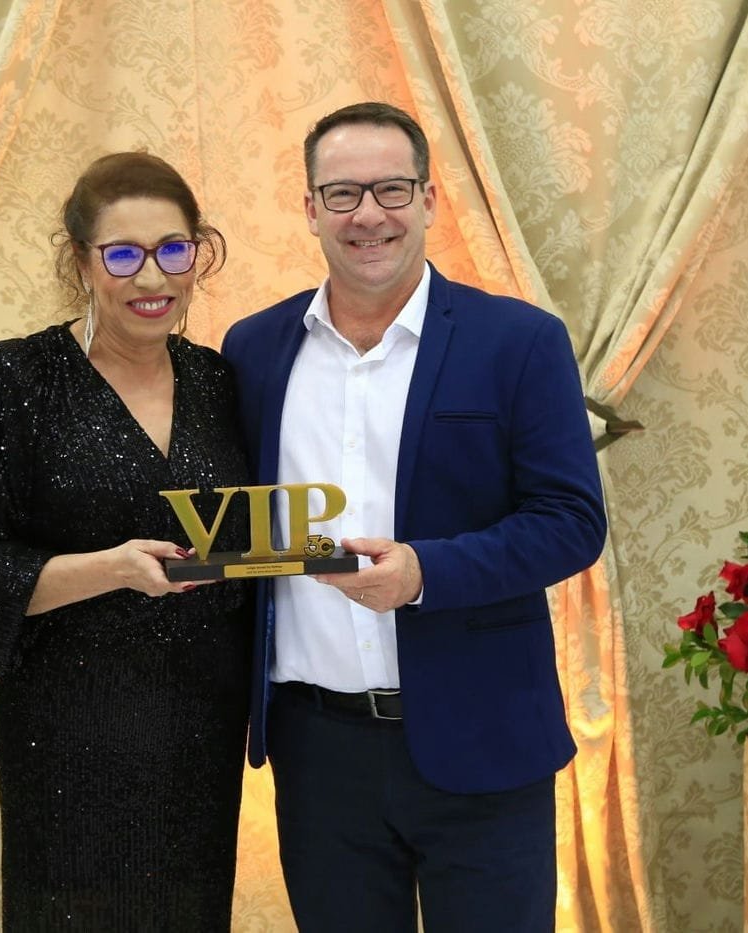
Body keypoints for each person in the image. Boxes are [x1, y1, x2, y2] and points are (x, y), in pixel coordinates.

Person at [221, 102, 607, 932]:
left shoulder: (520, 341)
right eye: (343, 193)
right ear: (310, 208)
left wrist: (427, 572)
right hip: (317, 752)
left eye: (391, 189)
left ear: (430, 198)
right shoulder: (251, 350)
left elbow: (572, 519)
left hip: (485, 738)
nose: (369, 214)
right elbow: (245, 521)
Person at [0, 151, 251, 930]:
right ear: (81, 260)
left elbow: (245, 541)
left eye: (173, 249)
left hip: (199, 725)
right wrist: (112, 568)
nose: (154, 277)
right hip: (67, 729)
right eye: (124, 255)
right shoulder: (16, 377)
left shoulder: (218, 380)